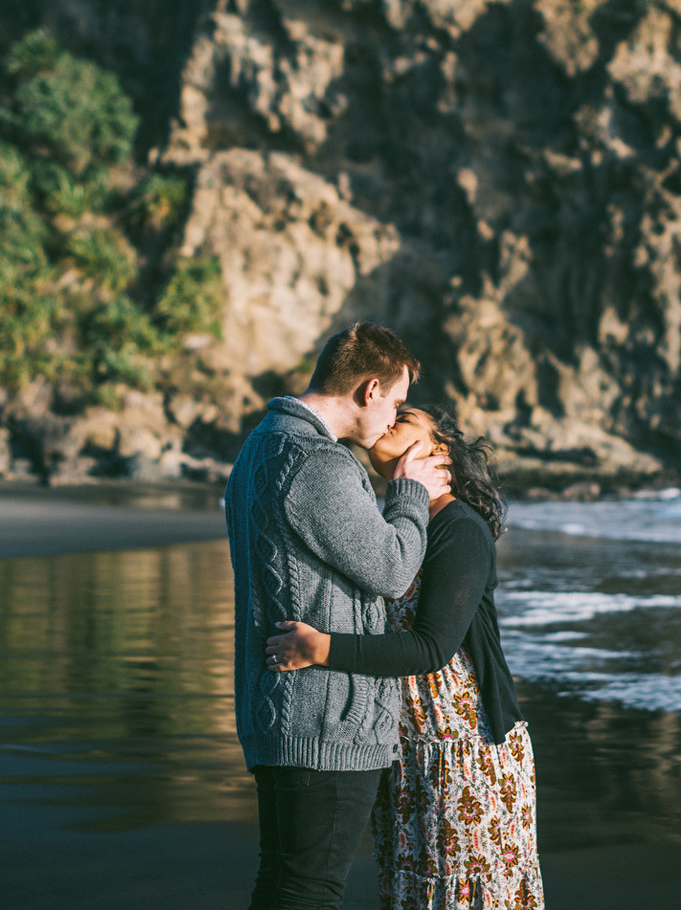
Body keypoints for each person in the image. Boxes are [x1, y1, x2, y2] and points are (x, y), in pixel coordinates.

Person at [265, 405, 544, 910]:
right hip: (409, 747)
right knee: (415, 893)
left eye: (406, 417)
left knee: (460, 897)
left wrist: (319, 648)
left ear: (440, 450)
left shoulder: (459, 526)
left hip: (465, 747)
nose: (389, 420)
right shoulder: (399, 524)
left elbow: (433, 648)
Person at [226, 323, 453, 910]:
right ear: (369, 388)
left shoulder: (260, 445)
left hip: (278, 711)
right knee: (310, 893)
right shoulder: (318, 463)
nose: (393, 418)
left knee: (282, 886)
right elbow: (392, 570)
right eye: (396, 403)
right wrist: (407, 492)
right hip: (325, 718)